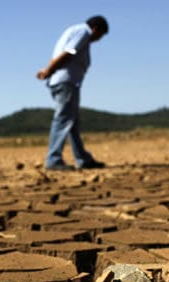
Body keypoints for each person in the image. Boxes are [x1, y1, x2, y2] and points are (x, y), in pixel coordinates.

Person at [36, 15, 108, 171]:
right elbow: (69, 52)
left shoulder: (73, 30)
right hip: (66, 82)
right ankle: (53, 160)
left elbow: (62, 53)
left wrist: (49, 69)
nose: (99, 39)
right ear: (96, 28)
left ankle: (83, 159)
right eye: (100, 35)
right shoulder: (83, 32)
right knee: (63, 120)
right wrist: (49, 70)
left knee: (72, 123)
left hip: (63, 81)